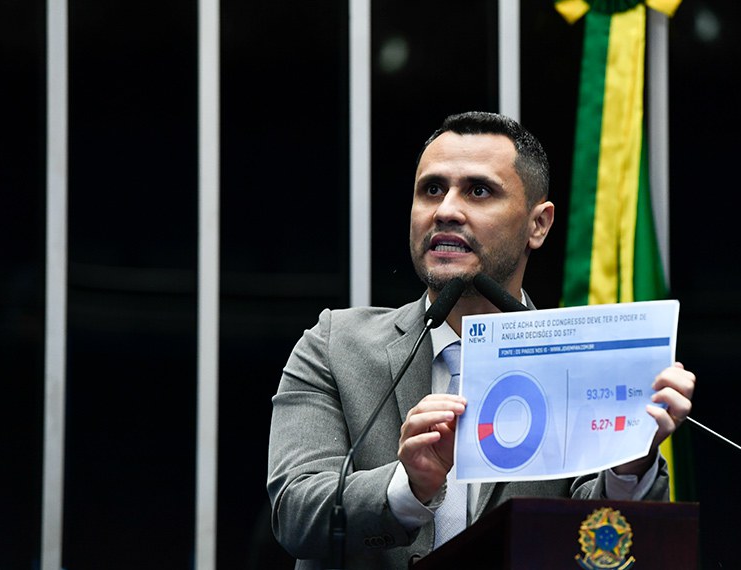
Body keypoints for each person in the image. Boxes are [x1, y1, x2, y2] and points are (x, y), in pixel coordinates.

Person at [267, 111, 695, 569]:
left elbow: (606, 548)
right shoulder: (335, 345)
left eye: (478, 190)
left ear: (539, 225)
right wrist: (407, 487)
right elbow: (296, 514)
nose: (446, 210)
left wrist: (628, 464)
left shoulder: (580, 357)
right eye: (432, 189)